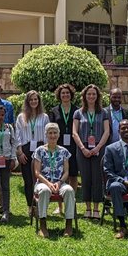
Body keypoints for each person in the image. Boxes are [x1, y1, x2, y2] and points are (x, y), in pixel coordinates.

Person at [72, 84, 111, 219]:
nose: (91, 96)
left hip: (98, 150)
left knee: (97, 178)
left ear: (97, 96)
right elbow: (74, 132)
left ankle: (96, 209)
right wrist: (83, 148)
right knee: (86, 178)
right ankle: (87, 208)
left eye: (94, 94)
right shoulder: (78, 113)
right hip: (82, 149)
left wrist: (98, 147)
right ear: (84, 96)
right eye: (89, 94)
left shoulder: (104, 112)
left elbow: (107, 132)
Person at [33, 122, 76, 237]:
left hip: (60, 182)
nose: (52, 135)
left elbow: (66, 172)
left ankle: (68, 224)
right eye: (50, 133)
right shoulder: (39, 151)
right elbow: (37, 172)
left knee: (69, 190)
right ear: (46, 134)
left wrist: (59, 182)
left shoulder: (64, 151)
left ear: (58, 134)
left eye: (55, 133)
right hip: (43, 182)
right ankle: (43, 225)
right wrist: (48, 183)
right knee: (44, 191)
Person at [15, 90, 50, 218]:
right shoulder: (21, 117)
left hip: (41, 149)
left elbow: (47, 134)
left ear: (39, 101)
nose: (34, 102)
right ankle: (30, 207)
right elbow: (17, 135)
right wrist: (19, 152)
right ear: (27, 102)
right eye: (31, 100)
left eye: (36, 99)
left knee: (40, 179)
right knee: (28, 180)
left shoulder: (44, 117)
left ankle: (40, 206)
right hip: (26, 150)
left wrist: (46, 152)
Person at [48, 83, 79, 214]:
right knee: (59, 174)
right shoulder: (54, 111)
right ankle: (59, 206)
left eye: (67, 93)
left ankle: (70, 203)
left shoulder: (77, 110)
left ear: (71, 95)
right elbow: (51, 129)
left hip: (73, 146)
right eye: (62, 93)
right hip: (58, 147)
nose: (65, 95)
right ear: (59, 95)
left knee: (72, 175)